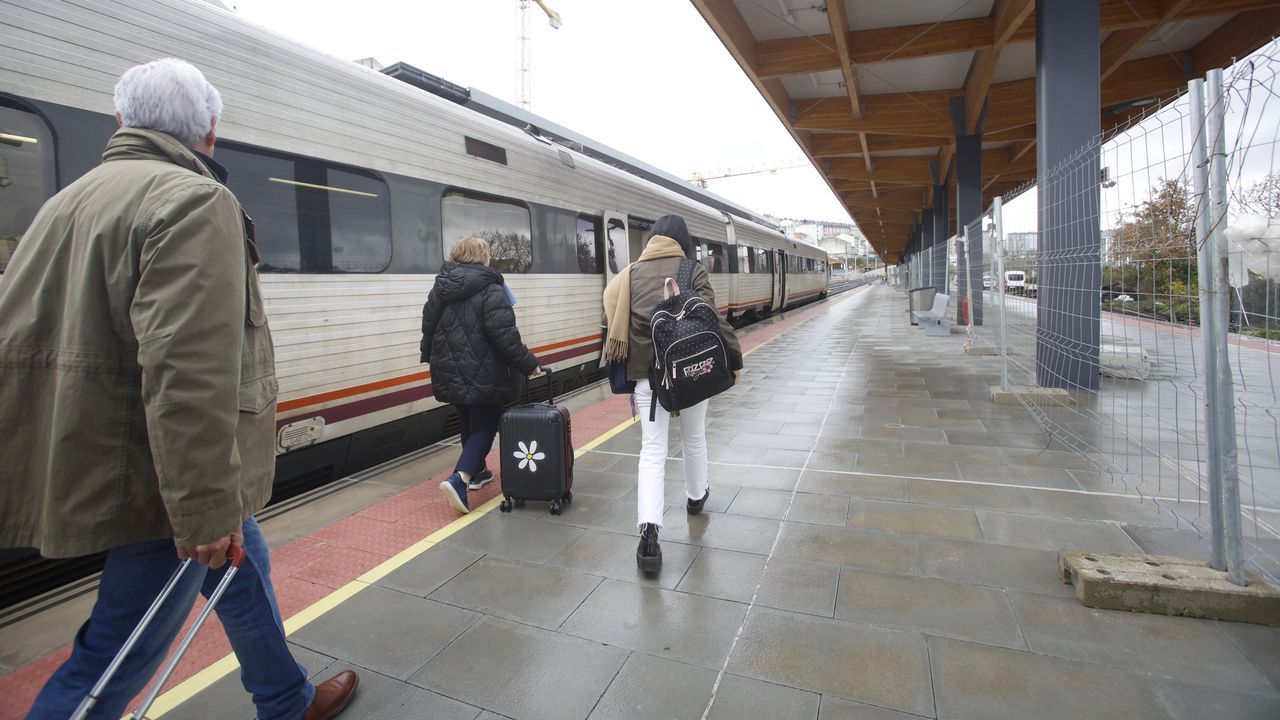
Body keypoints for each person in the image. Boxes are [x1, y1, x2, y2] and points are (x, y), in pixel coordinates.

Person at [0, 59, 357, 720]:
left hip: (113, 452)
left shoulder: (65, 203)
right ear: (211, 130)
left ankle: (286, 698)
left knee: (244, 568)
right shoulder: (193, 201)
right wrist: (198, 511)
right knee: (117, 652)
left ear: (121, 121)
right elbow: (187, 372)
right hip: (156, 475)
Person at [601, 214, 742, 572]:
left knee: (652, 450)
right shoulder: (691, 269)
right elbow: (711, 317)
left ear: (651, 239)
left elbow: (610, 307)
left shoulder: (628, 275)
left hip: (647, 377)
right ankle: (695, 497)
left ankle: (649, 538)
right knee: (694, 437)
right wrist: (734, 359)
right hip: (689, 371)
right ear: (682, 240)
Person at [421, 237, 543, 514]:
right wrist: (529, 364)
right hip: (485, 370)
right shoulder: (491, 288)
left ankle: (477, 473)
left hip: (448, 368)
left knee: (468, 420)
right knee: (486, 425)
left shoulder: (440, 287)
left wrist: (430, 359)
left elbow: (427, 326)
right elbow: (505, 336)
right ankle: (460, 478)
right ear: (482, 257)